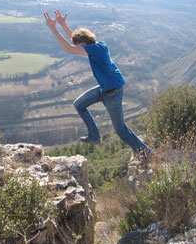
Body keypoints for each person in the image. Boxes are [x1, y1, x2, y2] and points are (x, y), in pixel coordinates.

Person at [44, 10, 151, 158]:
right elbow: (73, 41)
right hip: (105, 88)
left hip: (112, 93)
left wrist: (53, 27)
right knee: (79, 104)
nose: (78, 48)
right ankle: (94, 135)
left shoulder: (94, 50)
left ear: (84, 44)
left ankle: (147, 154)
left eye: (79, 45)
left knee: (121, 131)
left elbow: (69, 48)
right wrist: (63, 24)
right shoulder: (98, 45)